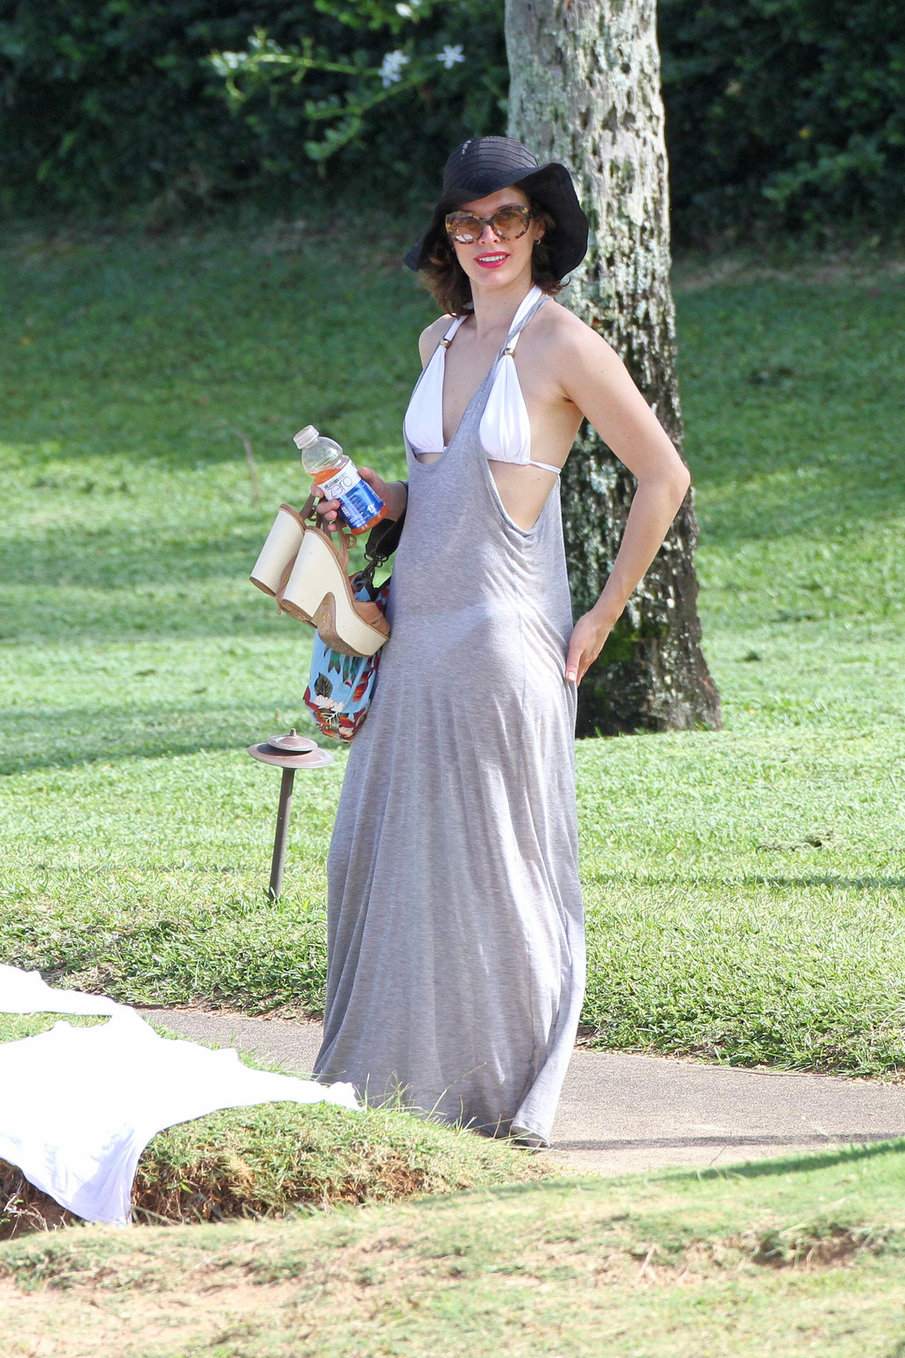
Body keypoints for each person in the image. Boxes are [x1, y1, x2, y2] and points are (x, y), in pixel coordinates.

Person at [312, 136, 690, 1146]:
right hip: (414, 641)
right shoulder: (436, 345)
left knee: (492, 864)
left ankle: (504, 1100)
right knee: (373, 858)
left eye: (508, 220)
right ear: (446, 234)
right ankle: (386, 1089)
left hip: (501, 639)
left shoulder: (560, 342)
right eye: (467, 221)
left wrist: (603, 612)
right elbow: (427, 495)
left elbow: (663, 476)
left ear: (539, 231)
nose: (487, 239)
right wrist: (358, 502)